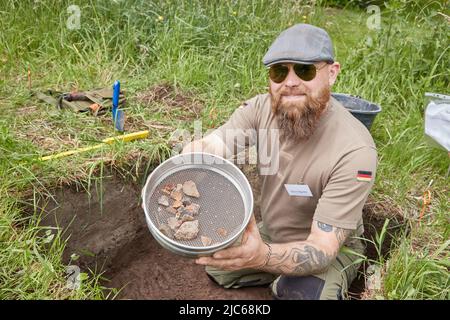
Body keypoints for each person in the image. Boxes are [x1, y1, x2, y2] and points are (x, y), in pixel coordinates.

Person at [182, 23, 377, 300]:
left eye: (305, 70)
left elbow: (321, 249)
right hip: (274, 234)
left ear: (332, 73)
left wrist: (261, 257)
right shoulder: (260, 109)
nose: (290, 81)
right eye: (279, 71)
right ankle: (276, 269)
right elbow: (214, 144)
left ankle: (296, 279)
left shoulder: (355, 151)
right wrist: (191, 156)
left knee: (301, 294)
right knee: (219, 267)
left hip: (330, 248)